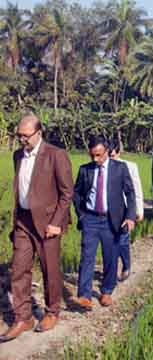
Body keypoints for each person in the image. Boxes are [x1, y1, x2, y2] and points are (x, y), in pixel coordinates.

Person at [0, 115, 73, 342]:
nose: (22, 139)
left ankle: (52, 312)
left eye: (26, 135)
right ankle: (24, 317)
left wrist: (56, 223)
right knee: (19, 268)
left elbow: (66, 193)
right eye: (19, 135)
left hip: (47, 224)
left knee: (50, 269)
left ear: (39, 132)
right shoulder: (17, 156)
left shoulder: (56, 155)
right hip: (23, 221)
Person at [73, 136, 136, 309]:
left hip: (112, 220)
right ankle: (85, 295)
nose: (96, 159)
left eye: (99, 155)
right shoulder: (85, 170)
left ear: (107, 152)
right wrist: (82, 216)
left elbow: (130, 193)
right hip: (91, 219)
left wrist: (130, 216)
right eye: (92, 155)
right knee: (87, 257)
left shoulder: (120, 168)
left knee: (110, 257)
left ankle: (107, 291)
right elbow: (76, 193)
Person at [109, 141, 144, 282]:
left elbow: (136, 189)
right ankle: (111, 270)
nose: (111, 158)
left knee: (123, 239)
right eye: (109, 155)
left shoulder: (129, 166)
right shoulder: (103, 166)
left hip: (125, 209)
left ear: (118, 153)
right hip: (109, 210)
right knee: (110, 240)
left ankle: (126, 266)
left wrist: (138, 210)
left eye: (113, 155)